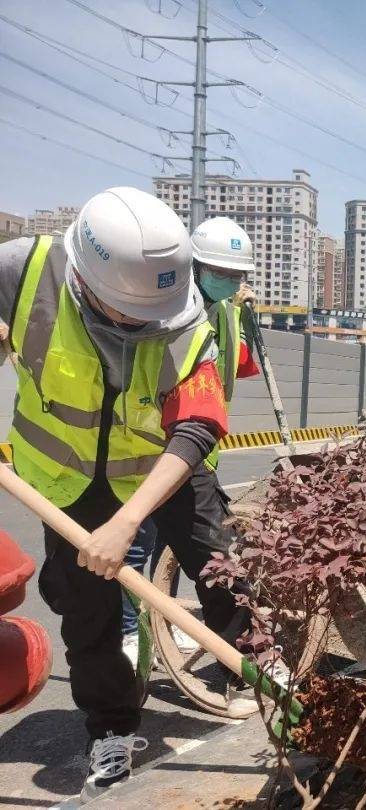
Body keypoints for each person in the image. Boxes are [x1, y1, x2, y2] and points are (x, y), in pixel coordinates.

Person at [0, 188, 250, 799]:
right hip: (64, 481)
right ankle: (110, 728)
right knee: (87, 611)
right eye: (127, 317)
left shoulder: (186, 315)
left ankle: (256, 666)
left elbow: (197, 425)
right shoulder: (22, 272)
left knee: (221, 562)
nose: (142, 327)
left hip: (161, 465)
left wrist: (129, 522)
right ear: (86, 283)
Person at [119, 216, 261, 666]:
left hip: (196, 449)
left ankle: (172, 627)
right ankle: (130, 636)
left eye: (238, 275)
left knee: (195, 551)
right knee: (133, 547)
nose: (231, 281)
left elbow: (237, 366)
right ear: (194, 265)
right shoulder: (161, 307)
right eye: (223, 273)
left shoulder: (225, 312)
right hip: (144, 449)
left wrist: (245, 315)